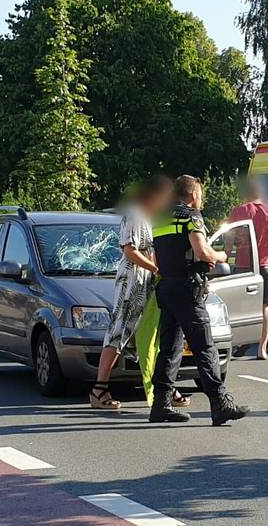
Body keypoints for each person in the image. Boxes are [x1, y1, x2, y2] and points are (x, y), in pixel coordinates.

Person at [149, 175, 250, 425]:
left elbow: (153, 255)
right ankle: (220, 402)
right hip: (187, 288)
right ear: (193, 194)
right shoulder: (191, 216)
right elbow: (201, 250)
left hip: (167, 287)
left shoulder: (159, 218)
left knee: (170, 348)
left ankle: (161, 404)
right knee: (205, 347)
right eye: (201, 195)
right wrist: (222, 255)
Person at [90, 175, 181, 410]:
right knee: (119, 332)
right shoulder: (134, 214)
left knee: (152, 336)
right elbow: (130, 250)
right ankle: (99, 389)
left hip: (147, 282)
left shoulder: (149, 218)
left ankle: (166, 387)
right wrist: (155, 268)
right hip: (132, 282)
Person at [228, 178, 268, 359]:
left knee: (240, 307)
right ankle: (262, 349)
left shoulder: (239, 211)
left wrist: (225, 254)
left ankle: (240, 342)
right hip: (266, 264)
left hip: (243, 264)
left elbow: (229, 238)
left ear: (247, 193)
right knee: (265, 307)